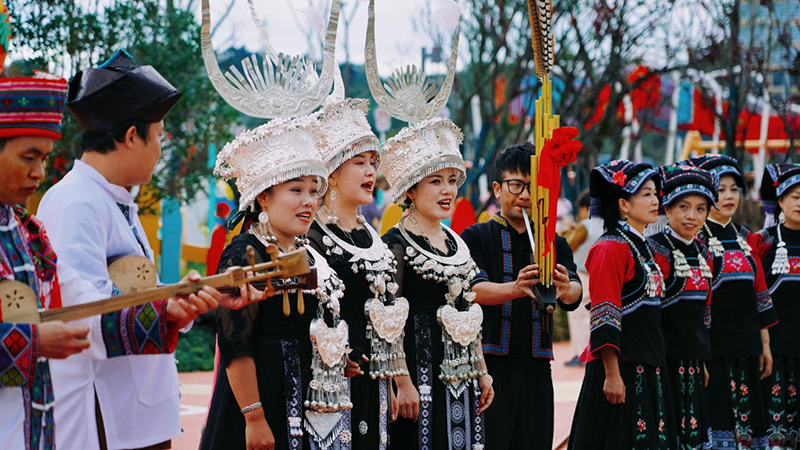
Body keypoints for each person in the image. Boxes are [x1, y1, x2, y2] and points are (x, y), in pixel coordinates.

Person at [0, 70, 229, 450]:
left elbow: (86, 306)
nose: (39, 173)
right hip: (97, 413)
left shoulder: (28, 233)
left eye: (44, 157)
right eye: (29, 156)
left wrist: (173, 306)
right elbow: (80, 316)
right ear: (130, 137)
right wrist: (34, 341)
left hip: (42, 424)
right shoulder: (77, 201)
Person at [200, 113, 355, 450]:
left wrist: (335, 358)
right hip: (263, 402)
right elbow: (233, 342)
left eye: (314, 191)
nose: (309, 201)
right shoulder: (244, 253)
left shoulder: (307, 252)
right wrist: (254, 418)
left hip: (307, 404)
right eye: (296, 189)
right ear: (264, 197)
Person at [460, 142, 583, 449]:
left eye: (534, 187)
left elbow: (575, 295)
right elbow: (472, 291)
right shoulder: (476, 237)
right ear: (498, 188)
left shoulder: (554, 243)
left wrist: (566, 287)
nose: (525, 196)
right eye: (516, 185)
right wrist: (514, 289)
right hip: (489, 367)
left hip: (537, 367)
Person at [382, 117, 494, 450]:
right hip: (418, 371)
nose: (447, 190)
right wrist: (402, 382)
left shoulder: (456, 242)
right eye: (435, 181)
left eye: (451, 180)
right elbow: (387, 320)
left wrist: (482, 370)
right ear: (410, 190)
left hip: (461, 373)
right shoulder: (395, 244)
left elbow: (467, 311)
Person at [308, 96, 409, 449]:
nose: (371, 172)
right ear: (332, 173)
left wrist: (393, 380)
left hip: (372, 381)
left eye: (373, 163)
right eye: (360, 163)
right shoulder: (311, 236)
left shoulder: (372, 237)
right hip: (326, 382)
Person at [568, 159, 677, 449]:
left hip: (648, 363)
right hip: (621, 369)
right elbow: (605, 313)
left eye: (656, 193)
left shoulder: (644, 247)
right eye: (646, 194)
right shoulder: (610, 248)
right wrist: (612, 375)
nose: (656, 200)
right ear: (624, 205)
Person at [683, 154, 778, 449]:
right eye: (720, 189)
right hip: (713, 351)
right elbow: (691, 304)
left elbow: (760, 294)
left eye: (734, 189)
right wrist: (698, 355)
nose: (728, 196)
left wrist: (765, 345)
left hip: (748, 349)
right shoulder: (694, 239)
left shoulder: (746, 238)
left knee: (748, 428)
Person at [648, 164, 718, 449]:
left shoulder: (704, 252)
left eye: (701, 209)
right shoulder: (654, 248)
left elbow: (704, 311)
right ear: (667, 209)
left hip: (692, 359)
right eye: (684, 207)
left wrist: (701, 360)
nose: (692, 216)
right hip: (662, 359)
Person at [755, 163, 800, 449]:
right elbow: (754, 295)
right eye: (796, 196)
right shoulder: (764, 242)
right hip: (775, 349)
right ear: (781, 201)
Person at [564, 189, 594, 367]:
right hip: (596, 276)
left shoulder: (584, 225)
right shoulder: (605, 225)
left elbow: (567, 246)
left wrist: (568, 229)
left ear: (585, 208)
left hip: (581, 276)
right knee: (590, 315)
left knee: (578, 316)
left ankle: (581, 352)